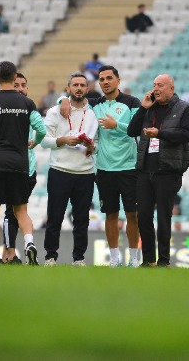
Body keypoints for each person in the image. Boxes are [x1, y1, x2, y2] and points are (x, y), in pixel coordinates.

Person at [60, 65, 142, 267]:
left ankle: (134, 257)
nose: (105, 82)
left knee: (132, 214)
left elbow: (138, 128)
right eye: (101, 79)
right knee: (111, 214)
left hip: (129, 167)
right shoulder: (94, 104)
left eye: (109, 78)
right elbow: (74, 100)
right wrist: (61, 99)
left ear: (118, 81)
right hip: (105, 169)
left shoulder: (132, 102)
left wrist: (117, 125)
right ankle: (114, 259)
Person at [0, 61, 46, 265]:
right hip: (20, 163)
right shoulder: (27, 103)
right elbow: (41, 130)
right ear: (14, 76)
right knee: (21, 210)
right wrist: (34, 143)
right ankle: (29, 243)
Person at [127, 74, 189, 267]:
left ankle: (164, 260)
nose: (156, 89)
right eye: (154, 85)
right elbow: (131, 131)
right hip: (145, 170)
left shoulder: (184, 108)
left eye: (160, 85)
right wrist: (143, 108)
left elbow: (185, 134)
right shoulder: (150, 108)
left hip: (168, 171)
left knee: (164, 217)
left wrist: (160, 133)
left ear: (171, 88)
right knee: (144, 216)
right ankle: (148, 260)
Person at [41, 73, 98, 266]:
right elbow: (44, 139)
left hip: (85, 173)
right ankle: (50, 256)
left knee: (82, 220)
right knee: (54, 217)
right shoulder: (55, 111)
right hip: (60, 170)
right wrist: (63, 140)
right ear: (68, 89)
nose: (79, 88)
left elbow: (97, 143)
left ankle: (79, 258)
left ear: (87, 89)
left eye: (83, 85)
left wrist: (92, 147)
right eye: (75, 85)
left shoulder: (93, 114)